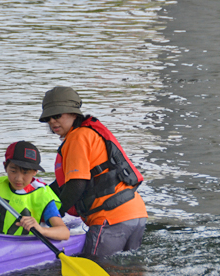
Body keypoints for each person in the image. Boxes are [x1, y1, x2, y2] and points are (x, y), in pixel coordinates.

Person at [39, 86, 147, 257]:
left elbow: (76, 184)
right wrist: (39, 196)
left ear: (74, 114)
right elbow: (64, 185)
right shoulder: (89, 133)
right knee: (129, 271)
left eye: (57, 115)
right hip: (136, 214)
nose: (52, 121)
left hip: (110, 219)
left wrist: (54, 216)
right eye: (48, 118)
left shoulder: (77, 138)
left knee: (95, 269)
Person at [0, 141, 70, 241]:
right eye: (13, 170)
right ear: (5, 166)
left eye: (25, 172)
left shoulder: (42, 196)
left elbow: (64, 232)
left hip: (22, 253)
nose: (18, 178)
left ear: (35, 171)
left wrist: (41, 230)